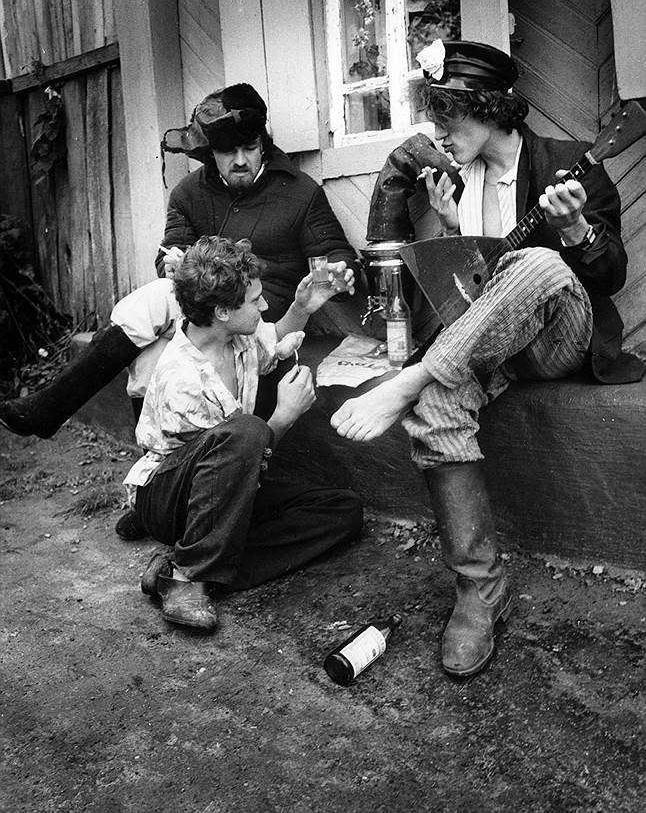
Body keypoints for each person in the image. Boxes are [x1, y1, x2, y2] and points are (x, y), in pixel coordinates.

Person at [330, 39, 644, 678]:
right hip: (488, 349)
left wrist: (577, 230)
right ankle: (480, 588)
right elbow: (468, 293)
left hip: (557, 338)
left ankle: (410, 379)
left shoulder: (566, 163)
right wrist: (449, 231)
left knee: (538, 261)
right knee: (438, 402)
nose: (439, 132)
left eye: (449, 116)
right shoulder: (454, 181)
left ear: (490, 109)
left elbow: (610, 274)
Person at [0, 82, 357, 440]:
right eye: (228, 152)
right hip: (199, 311)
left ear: (263, 144)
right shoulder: (188, 193)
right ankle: (169, 463)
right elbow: (169, 252)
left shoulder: (300, 192)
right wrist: (172, 264)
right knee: (156, 340)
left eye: (250, 148)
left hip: (259, 314)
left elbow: (336, 254)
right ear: (210, 153)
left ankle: (57, 410)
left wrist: (341, 272)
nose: (240, 161)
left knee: (155, 319)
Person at [126, 235, 362, 631]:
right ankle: (188, 578)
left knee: (342, 511)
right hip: (171, 497)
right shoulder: (182, 378)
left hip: (223, 492)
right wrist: (284, 416)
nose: (264, 306)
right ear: (221, 311)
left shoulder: (237, 337)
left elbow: (272, 342)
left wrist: (302, 307)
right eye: (255, 301)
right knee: (248, 431)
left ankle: (178, 567)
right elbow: (230, 464)